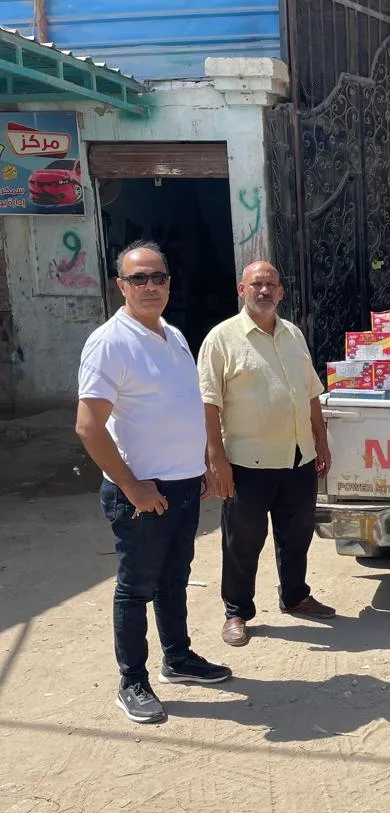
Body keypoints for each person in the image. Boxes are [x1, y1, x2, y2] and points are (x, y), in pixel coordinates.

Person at [76, 241, 233, 725]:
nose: (150, 286)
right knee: (136, 587)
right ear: (120, 286)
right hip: (142, 492)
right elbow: (88, 426)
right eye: (138, 278)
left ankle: (178, 658)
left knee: (173, 579)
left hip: (183, 486)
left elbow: (186, 405)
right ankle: (132, 681)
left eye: (157, 277)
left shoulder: (174, 335)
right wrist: (132, 486)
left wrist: (201, 463)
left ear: (168, 283)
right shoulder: (110, 341)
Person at [197, 260, 334, 647]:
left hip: (298, 457)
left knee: (297, 535)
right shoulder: (222, 338)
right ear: (241, 290)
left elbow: (311, 393)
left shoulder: (293, 334)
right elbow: (209, 403)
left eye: (271, 284)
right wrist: (215, 459)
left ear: (281, 292)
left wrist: (321, 441)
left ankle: (295, 596)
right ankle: (237, 611)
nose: (264, 290)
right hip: (247, 464)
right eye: (256, 284)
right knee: (243, 542)